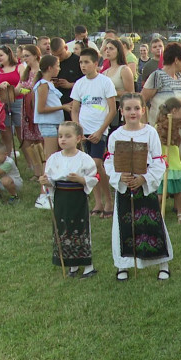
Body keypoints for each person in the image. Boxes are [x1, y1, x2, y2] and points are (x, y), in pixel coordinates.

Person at [105, 93, 171, 280]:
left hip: (145, 185)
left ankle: (162, 263)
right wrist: (121, 177)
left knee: (153, 224)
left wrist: (145, 178)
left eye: (136, 108)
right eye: (128, 109)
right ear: (121, 111)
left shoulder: (150, 133)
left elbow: (159, 161)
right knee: (123, 226)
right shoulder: (115, 135)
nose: (132, 112)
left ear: (143, 110)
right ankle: (123, 265)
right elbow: (109, 162)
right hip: (125, 186)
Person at [39, 121, 99, 278]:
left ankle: (87, 265)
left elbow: (93, 178)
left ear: (78, 138)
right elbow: (51, 179)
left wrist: (80, 179)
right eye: (60, 136)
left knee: (80, 228)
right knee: (63, 228)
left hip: (77, 198)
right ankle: (71, 264)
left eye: (67, 136)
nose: (63, 139)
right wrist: (47, 182)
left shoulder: (85, 159)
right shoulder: (53, 159)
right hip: (61, 199)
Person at [141, 43, 181, 196]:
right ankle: (161, 195)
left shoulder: (179, 77)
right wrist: (146, 124)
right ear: (176, 60)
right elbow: (142, 99)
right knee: (165, 161)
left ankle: (179, 197)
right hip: (163, 130)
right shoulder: (157, 76)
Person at [70, 47, 116, 219]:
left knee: (97, 163)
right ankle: (98, 201)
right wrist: (78, 130)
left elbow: (112, 110)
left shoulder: (105, 82)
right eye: (81, 62)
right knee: (89, 167)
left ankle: (109, 200)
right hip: (84, 132)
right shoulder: (79, 84)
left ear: (96, 64)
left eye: (86, 62)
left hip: (99, 130)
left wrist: (100, 130)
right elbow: (75, 109)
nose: (83, 65)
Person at [33, 54, 69, 209]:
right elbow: (41, 109)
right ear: (50, 68)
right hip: (48, 124)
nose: (59, 68)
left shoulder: (49, 84)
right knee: (50, 159)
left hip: (54, 124)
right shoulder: (43, 85)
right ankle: (44, 194)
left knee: (54, 158)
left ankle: (51, 191)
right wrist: (62, 106)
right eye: (57, 65)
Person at [155, 97, 181, 223]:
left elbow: (176, 146)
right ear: (174, 111)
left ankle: (180, 213)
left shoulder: (175, 128)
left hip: (174, 163)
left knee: (178, 191)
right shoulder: (158, 128)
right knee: (160, 192)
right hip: (162, 163)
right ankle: (158, 213)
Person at [0, 45, 25, 158]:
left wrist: (12, 89)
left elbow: (24, 84)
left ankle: (30, 162)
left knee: (21, 132)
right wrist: (1, 88)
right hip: (4, 104)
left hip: (19, 101)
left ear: (8, 55)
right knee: (6, 133)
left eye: (1, 55)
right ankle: (8, 158)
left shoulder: (19, 67)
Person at [16, 45, 44, 180]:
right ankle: (36, 171)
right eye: (23, 56)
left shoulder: (42, 71)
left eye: (27, 55)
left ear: (35, 55)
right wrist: (26, 91)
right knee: (30, 141)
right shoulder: (25, 72)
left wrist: (28, 91)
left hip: (38, 108)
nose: (25, 58)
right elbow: (18, 89)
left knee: (41, 140)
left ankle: (44, 170)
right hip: (27, 110)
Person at [101, 39, 135, 134]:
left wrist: (112, 92)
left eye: (111, 48)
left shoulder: (124, 69)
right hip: (107, 109)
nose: (108, 51)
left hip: (120, 108)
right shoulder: (105, 72)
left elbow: (130, 92)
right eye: (106, 48)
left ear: (118, 51)